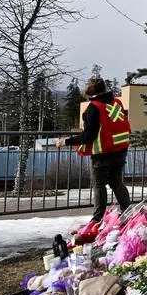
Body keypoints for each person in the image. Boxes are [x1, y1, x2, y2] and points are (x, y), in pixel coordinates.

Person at [57, 77, 132, 223]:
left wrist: (66, 141)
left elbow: (89, 135)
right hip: (121, 149)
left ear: (91, 90)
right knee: (117, 182)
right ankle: (128, 212)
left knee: (99, 185)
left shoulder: (94, 107)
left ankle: (97, 219)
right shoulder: (117, 102)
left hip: (102, 154)